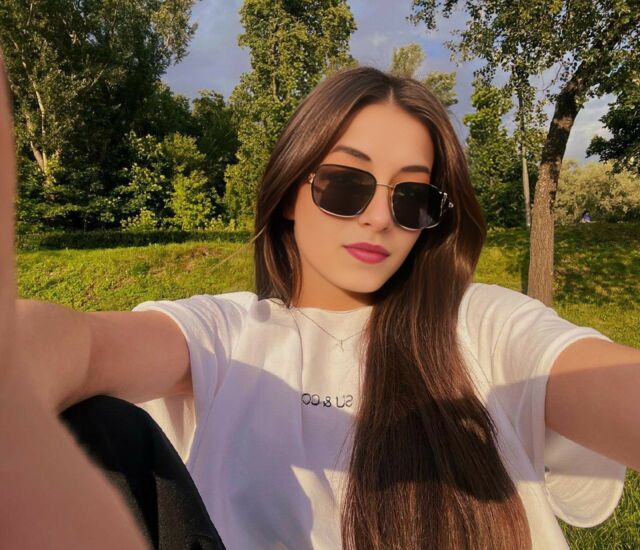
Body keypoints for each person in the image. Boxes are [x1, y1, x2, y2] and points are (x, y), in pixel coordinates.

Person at [1, 58, 639, 550]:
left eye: (412, 198)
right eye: (345, 184)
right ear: (290, 191)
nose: (379, 218)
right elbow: (79, 345)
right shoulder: (224, 333)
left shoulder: (485, 327)